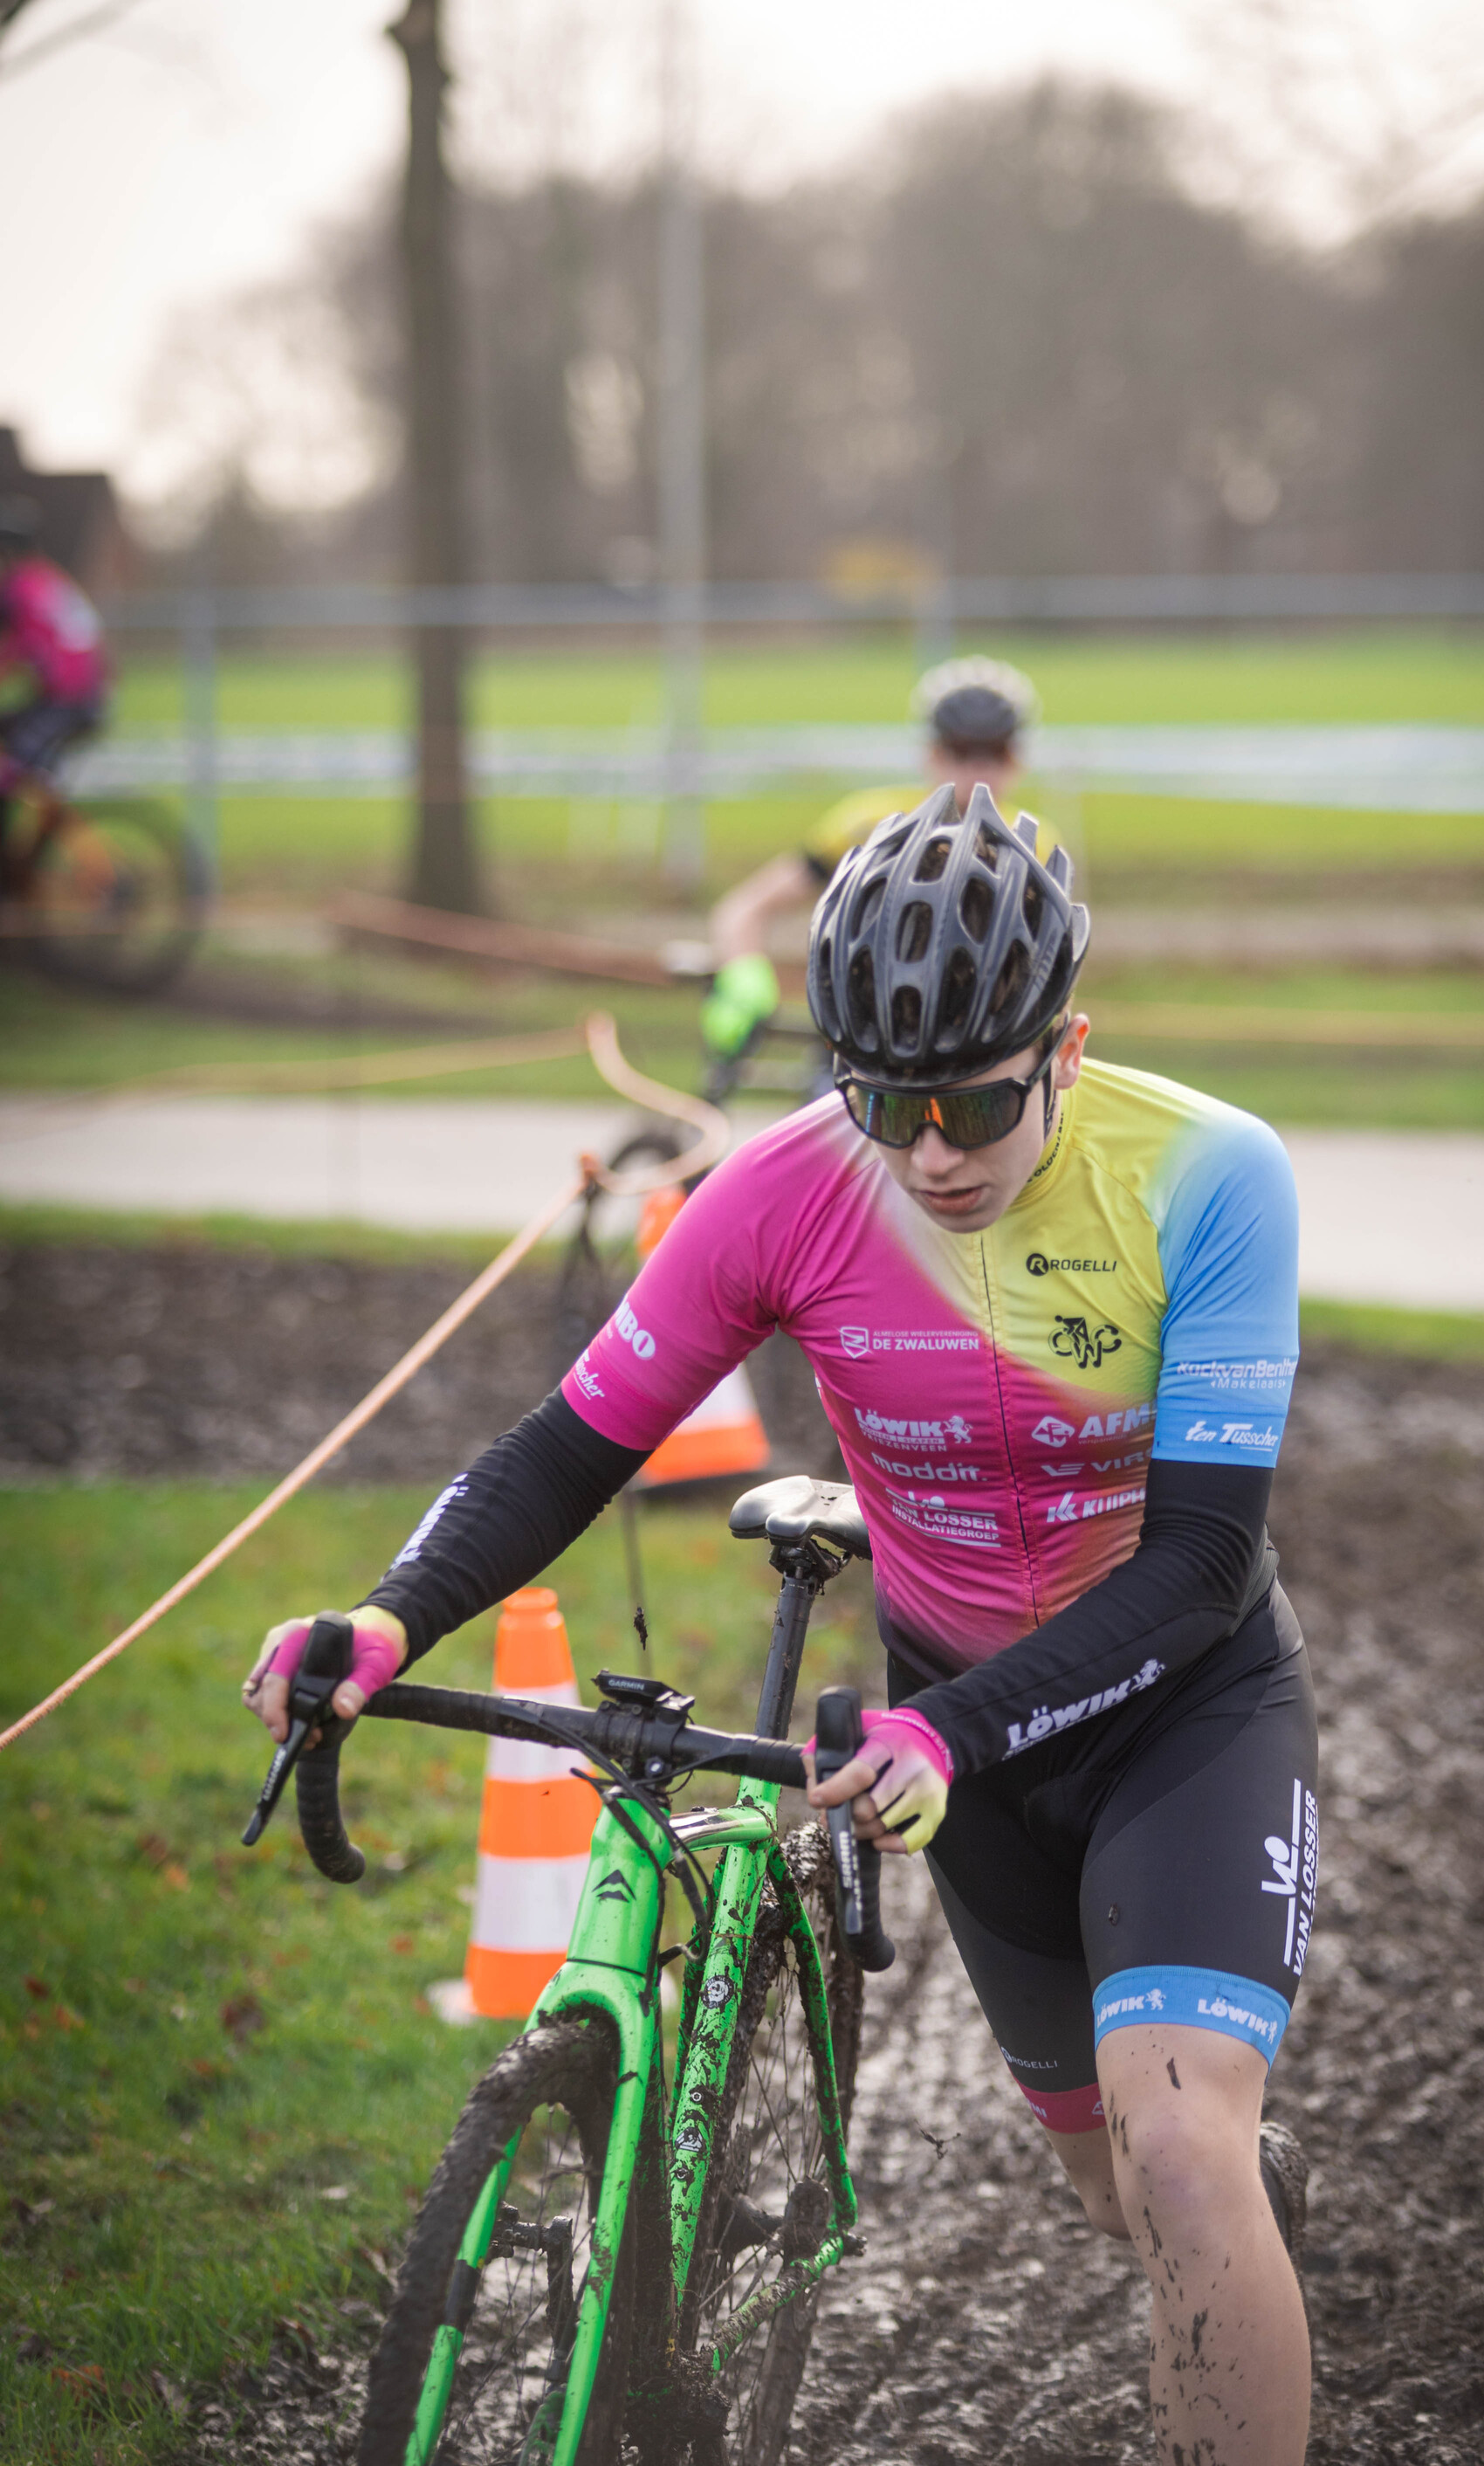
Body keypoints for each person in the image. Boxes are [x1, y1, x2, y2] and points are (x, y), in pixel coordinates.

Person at [244, 785, 1316, 2466]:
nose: (933, 1151)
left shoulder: (1209, 1174)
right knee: (1126, 2193)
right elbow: (569, 1447)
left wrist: (944, 1734)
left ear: (1068, 1044)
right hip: (952, 1729)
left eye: (971, 1097)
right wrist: (387, 1620)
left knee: (1180, 2158)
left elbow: (1193, 1568)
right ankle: (1229, 2193)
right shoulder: (779, 1194)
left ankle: (1222, 2186)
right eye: (886, 1098)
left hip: (1176, 1708)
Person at [698, 654, 1056, 1064]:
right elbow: (745, 907)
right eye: (959, 751)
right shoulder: (872, 824)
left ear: (1018, 758)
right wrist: (744, 975)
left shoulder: (1036, 841)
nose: (977, 771)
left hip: (981, 1049)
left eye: (996, 753)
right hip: (863, 1043)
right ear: (932, 752)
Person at [0, 493, 111, 782]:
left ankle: (40, 813)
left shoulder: (19, 588)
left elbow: (12, 649)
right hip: (84, 695)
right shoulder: (45, 578)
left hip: (66, 700)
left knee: (11, 771)